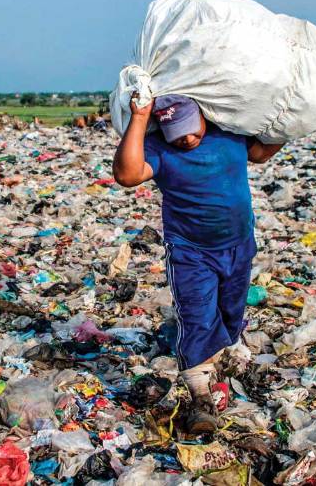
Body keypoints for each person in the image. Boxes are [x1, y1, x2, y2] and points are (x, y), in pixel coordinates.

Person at [112, 94, 283, 434]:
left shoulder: (229, 134)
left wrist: (293, 119)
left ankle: (225, 355)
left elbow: (261, 153)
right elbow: (127, 175)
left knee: (231, 312)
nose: (186, 138)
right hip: (191, 252)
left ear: (205, 116)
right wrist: (140, 116)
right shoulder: (160, 149)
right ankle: (201, 396)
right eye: (176, 132)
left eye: (190, 129)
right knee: (197, 315)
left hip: (238, 244)